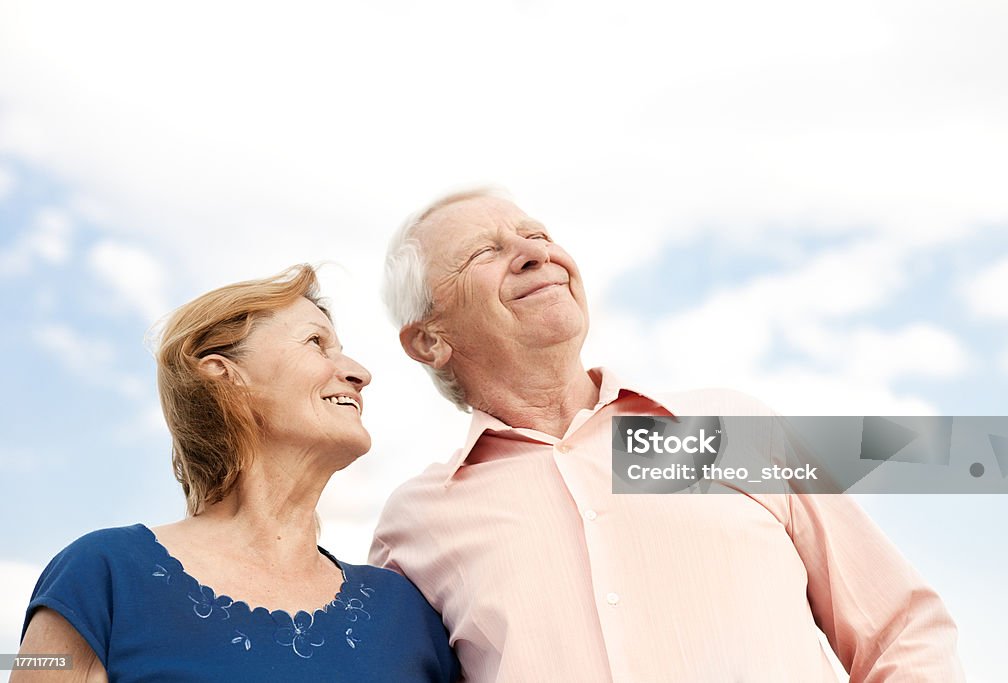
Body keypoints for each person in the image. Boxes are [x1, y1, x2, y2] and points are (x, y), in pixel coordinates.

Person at [370, 189, 966, 682]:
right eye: (485, 251)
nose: (534, 253)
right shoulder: (416, 524)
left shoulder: (730, 428)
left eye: (539, 234)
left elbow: (901, 630)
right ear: (429, 339)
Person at [17, 265, 459, 682]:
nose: (359, 373)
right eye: (315, 343)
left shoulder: (407, 612)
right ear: (225, 377)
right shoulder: (101, 576)